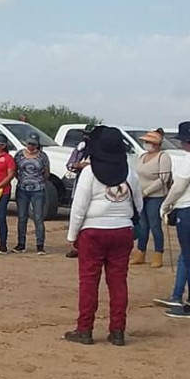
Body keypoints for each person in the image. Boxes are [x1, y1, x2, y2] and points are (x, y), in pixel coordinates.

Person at [64, 126, 143, 345]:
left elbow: (79, 207)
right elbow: (139, 204)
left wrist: (72, 235)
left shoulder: (89, 173)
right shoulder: (130, 172)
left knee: (89, 281)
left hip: (93, 231)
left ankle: (85, 329)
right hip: (122, 230)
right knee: (118, 282)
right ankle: (118, 331)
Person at [160, 121, 190, 319]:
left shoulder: (188, 160)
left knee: (188, 256)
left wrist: (166, 205)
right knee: (185, 256)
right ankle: (178, 295)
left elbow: (179, 186)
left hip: (186, 209)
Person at [131, 130, 172, 268]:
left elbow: (163, 178)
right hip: (141, 196)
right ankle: (140, 252)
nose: (145, 144)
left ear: (155, 144)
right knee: (143, 226)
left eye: (148, 142)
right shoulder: (142, 156)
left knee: (155, 225)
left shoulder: (163, 157)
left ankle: (158, 254)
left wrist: (147, 191)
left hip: (156, 196)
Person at [13, 132, 50, 254]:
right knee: (22, 217)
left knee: (38, 217)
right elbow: (14, 170)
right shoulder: (19, 155)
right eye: (29, 144)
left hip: (38, 189)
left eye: (33, 144)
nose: (31, 146)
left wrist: (38, 182)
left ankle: (40, 244)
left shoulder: (43, 156)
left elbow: (46, 173)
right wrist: (22, 180)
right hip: (22, 189)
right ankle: (21, 243)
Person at [64, 124, 94, 257]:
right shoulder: (80, 147)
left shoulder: (99, 149)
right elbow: (70, 164)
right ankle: (75, 246)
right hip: (80, 182)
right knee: (77, 214)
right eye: (85, 134)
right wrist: (77, 165)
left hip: (95, 185)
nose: (86, 137)